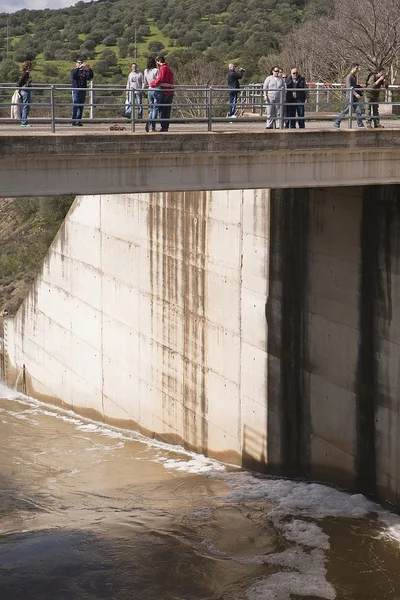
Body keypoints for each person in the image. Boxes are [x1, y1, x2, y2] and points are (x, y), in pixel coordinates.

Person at [333, 63, 364, 128]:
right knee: (346, 110)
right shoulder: (349, 77)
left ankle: (360, 124)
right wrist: (356, 94)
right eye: (356, 68)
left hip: (354, 96)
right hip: (349, 96)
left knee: (358, 111)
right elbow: (349, 87)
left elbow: (354, 86)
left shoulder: (354, 77)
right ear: (353, 68)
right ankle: (337, 122)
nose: (358, 70)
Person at [149, 56, 174, 132]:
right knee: (167, 110)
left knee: (162, 110)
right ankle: (165, 127)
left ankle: (161, 126)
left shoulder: (162, 68)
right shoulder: (168, 68)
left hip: (165, 91)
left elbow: (161, 79)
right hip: (170, 91)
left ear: (159, 61)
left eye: (157, 62)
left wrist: (152, 84)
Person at [71, 59, 93, 126]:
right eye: (79, 63)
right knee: (76, 105)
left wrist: (89, 69)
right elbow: (73, 75)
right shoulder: (74, 70)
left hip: (83, 90)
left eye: (81, 63)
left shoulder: (84, 72)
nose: (80, 64)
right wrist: (79, 68)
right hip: (76, 90)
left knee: (81, 106)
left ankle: (78, 120)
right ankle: (74, 120)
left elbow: (90, 77)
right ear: (76, 64)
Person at [143, 56, 160, 132]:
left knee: (151, 108)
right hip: (156, 90)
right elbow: (158, 80)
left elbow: (145, 82)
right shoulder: (156, 70)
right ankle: (153, 127)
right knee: (155, 108)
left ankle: (149, 120)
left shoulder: (146, 71)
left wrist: (142, 90)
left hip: (149, 90)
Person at [17, 61, 32, 127]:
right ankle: (24, 122)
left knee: (24, 106)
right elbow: (20, 81)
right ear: (28, 66)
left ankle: (24, 121)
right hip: (25, 90)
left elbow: (20, 81)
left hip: (22, 90)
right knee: (26, 106)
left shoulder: (22, 72)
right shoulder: (26, 73)